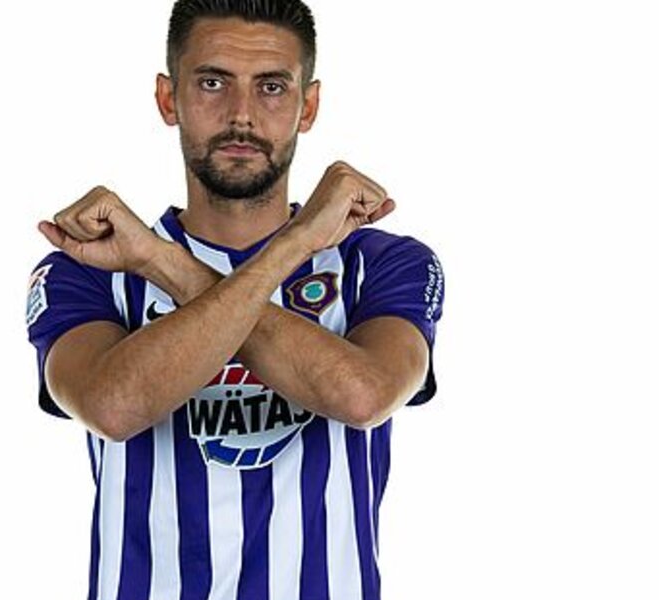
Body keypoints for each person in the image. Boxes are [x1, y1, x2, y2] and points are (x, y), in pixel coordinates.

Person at [25, 1, 444, 598]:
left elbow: (362, 396)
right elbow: (113, 407)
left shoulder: (380, 263)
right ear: (169, 99)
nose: (241, 114)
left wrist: (165, 263)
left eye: (271, 87)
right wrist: (292, 244)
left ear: (308, 106)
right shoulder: (90, 267)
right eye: (213, 83)